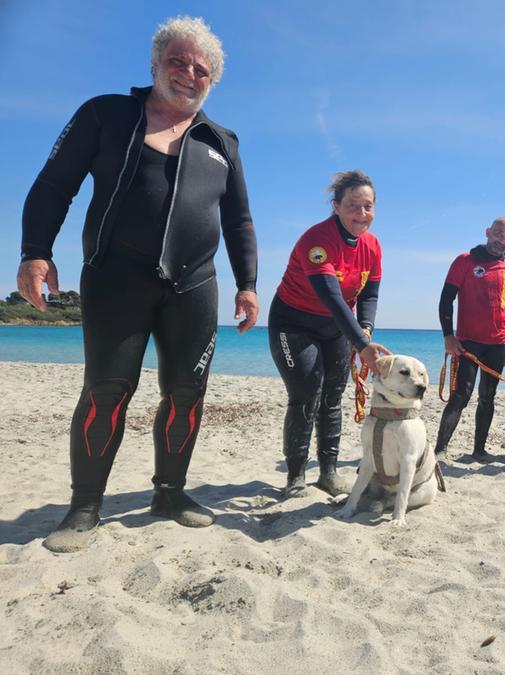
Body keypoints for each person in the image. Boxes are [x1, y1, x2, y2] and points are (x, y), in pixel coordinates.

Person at [17, 17, 259, 552]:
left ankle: (169, 493)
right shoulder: (106, 114)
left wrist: (248, 283)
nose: (189, 73)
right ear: (154, 64)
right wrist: (35, 253)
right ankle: (84, 507)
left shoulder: (223, 141)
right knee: (107, 392)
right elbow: (53, 185)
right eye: (178, 61)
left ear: (211, 81)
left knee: (186, 393)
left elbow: (240, 220)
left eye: (201, 69)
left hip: (195, 285)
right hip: (114, 278)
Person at [269, 170, 390, 498]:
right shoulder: (317, 240)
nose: (361, 214)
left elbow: (369, 295)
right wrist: (363, 344)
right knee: (307, 392)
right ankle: (295, 475)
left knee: (333, 396)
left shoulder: (373, 246)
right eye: (353, 205)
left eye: (368, 206)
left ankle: (328, 472)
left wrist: (365, 329)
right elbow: (332, 297)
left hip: (335, 327)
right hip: (293, 322)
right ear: (336, 206)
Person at [435, 217, 505, 460]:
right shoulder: (464, 261)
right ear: (488, 232)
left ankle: (479, 450)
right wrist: (448, 336)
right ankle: (440, 450)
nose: (501, 240)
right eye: (498, 234)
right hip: (467, 343)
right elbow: (446, 300)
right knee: (460, 395)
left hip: (497, 343)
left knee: (488, 396)